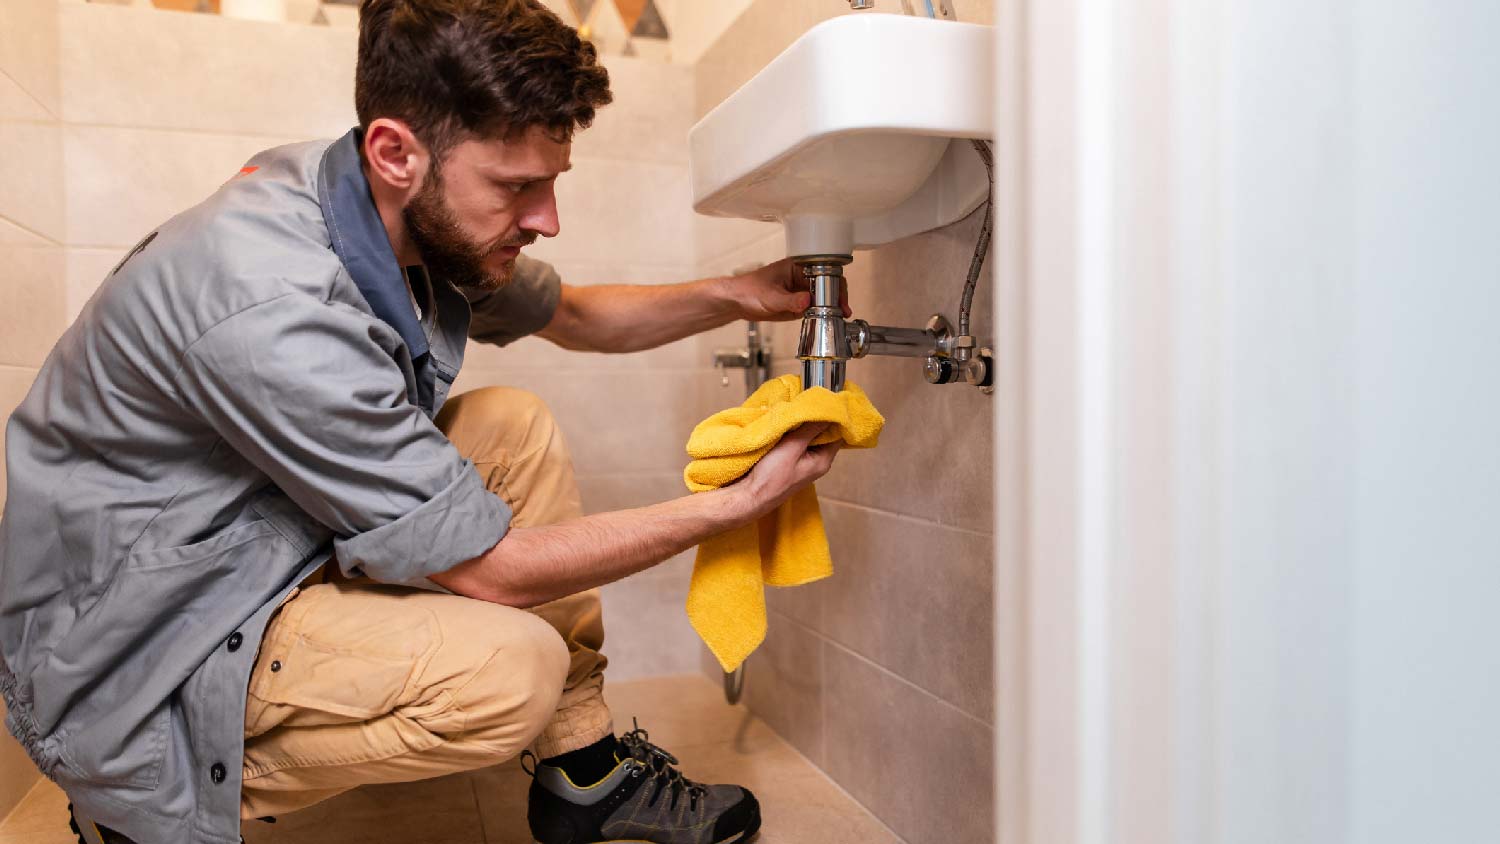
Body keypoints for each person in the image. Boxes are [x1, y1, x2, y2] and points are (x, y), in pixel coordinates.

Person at [0, 1, 848, 841]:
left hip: (248, 545)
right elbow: (498, 571)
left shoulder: (381, 208)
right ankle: (134, 795)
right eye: (518, 187)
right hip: (138, 643)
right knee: (514, 672)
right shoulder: (268, 297)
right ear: (396, 151)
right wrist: (732, 507)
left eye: (550, 182)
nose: (548, 217)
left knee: (512, 426)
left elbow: (577, 317)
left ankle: (585, 775)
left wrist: (740, 292)